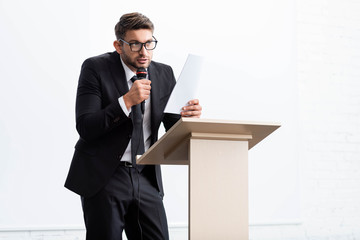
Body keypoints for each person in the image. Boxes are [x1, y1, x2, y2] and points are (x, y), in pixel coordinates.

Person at [64, 12, 202, 240]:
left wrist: (188, 118)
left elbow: (172, 127)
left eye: (149, 43)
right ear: (119, 45)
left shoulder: (164, 73)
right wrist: (125, 101)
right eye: (135, 44)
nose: (144, 52)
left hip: (145, 174)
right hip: (105, 176)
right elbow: (86, 127)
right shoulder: (95, 68)